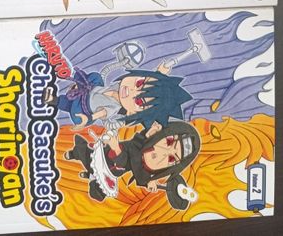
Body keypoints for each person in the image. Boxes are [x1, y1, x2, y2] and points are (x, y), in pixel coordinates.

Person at [65, 120, 201, 209]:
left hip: (115, 170)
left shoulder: (149, 169)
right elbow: (131, 151)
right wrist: (117, 148)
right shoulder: (142, 143)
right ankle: (74, 154)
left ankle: (89, 175)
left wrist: (150, 181)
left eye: (171, 158)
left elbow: (139, 172)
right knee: (86, 155)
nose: (164, 153)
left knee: (98, 193)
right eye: (169, 142)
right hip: (110, 155)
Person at [45, 67, 192, 130]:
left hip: (85, 106)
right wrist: (159, 73)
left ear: (133, 113)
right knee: (96, 76)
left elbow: (102, 113)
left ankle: (52, 100)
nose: (130, 91)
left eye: (138, 101)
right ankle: (67, 77)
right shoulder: (116, 86)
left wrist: (88, 119)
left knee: (70, 106)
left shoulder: (114, 107)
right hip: (89, 89)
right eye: (139, 83)